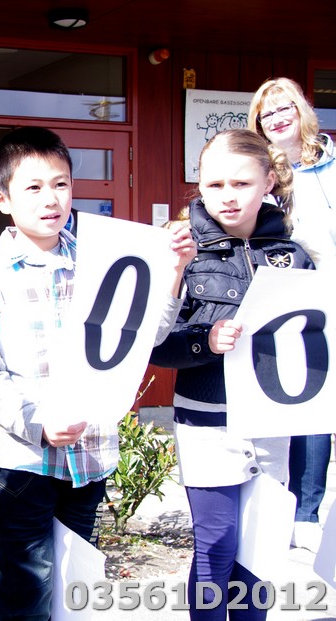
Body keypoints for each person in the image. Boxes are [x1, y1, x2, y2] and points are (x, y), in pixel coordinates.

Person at [0, 126, 195, 621]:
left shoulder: (98, 262)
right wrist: (36, 423)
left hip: (89, 454)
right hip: (22, 458)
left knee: (74, 585)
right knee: (27, 587)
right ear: (2, 199)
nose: (51, 199)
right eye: (33, 187)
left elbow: (142, 336)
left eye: (60, 184)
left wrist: (174, 272)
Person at [150, 128, 314, 620]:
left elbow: (313, 340)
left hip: (272, 422)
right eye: (214, 184)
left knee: (260, 551)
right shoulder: (180, 251)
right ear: (199, 185)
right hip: (206, 420)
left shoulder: (295, 255)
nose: (227, 196)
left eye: (241, 183)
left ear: (268, 182)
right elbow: (155, 345)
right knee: (216, 543)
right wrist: (206, 341)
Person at [248, 77, 336, 553]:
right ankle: (295, 511)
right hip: (293, 298)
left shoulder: (331, 163)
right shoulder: (264, 174)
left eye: (285, 108)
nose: (277, 117)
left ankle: (306, 512)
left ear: (302, 111)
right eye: (267, 113)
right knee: (305, 401)